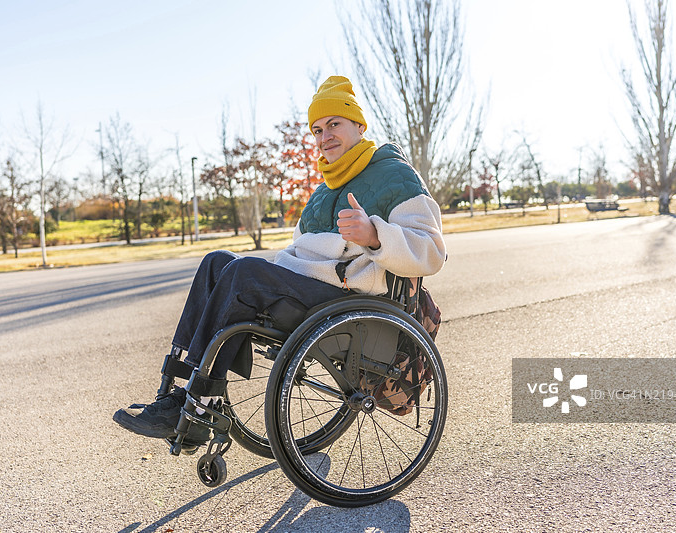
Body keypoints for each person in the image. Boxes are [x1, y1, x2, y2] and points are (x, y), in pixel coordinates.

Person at [113, 75, 447, 447]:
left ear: (359, 125)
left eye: (334, 124)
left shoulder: (395, 175)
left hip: (351, 299)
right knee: (216, 262)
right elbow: (299, 253)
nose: (324, 137)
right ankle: (176, 394)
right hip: (312, 289)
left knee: (244, 273)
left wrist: (374, 235)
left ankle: (198, 407)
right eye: (317, 130)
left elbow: (432, 251)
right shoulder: (324, 191)